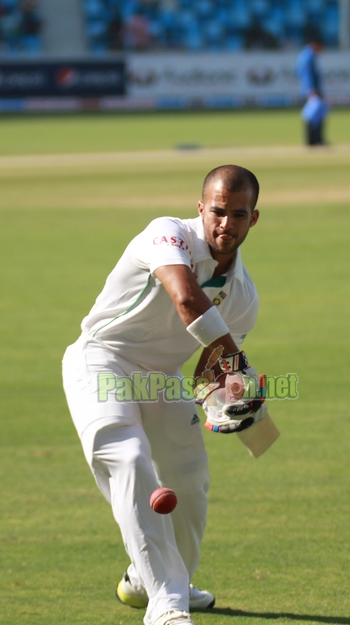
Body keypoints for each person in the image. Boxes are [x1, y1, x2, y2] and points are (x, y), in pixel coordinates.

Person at [62, 165, 266, 625]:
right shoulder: (167, 234)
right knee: (130, 458)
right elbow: (187, 298)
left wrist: (227, 396)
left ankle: (149, 579)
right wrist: (240, 365)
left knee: (190, 480)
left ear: (253, 219)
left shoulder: (243, 295)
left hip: (162, 378)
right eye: (217, 211)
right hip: (102, 361)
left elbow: (209, 370)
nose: (225, 224)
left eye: (238, 214)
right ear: (201, 208)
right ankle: (166, 605)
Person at [296, 31, 326, 146]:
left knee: (314, 114)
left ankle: (314, 140)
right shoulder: (308, 56)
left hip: (309, 89)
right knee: (314, 114)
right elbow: (307, 74)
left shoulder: (306, 55)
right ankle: (314, 140)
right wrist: (311, 89)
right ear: (316, 45)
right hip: (311, 90)